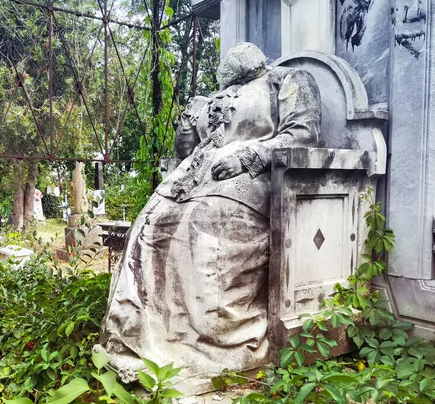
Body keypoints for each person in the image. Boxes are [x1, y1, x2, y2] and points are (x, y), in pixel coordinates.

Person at [97, 43, 321, 385]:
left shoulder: (286, 79)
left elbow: (303, 135)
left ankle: (206, 344)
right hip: (191, 180)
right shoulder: (215, 97)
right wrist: (187, 126)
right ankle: (142, 336)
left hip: (250, 180)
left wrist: (247, 158)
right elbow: (187, 149)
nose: (236, 51)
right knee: (147, 226)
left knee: (202, 227)